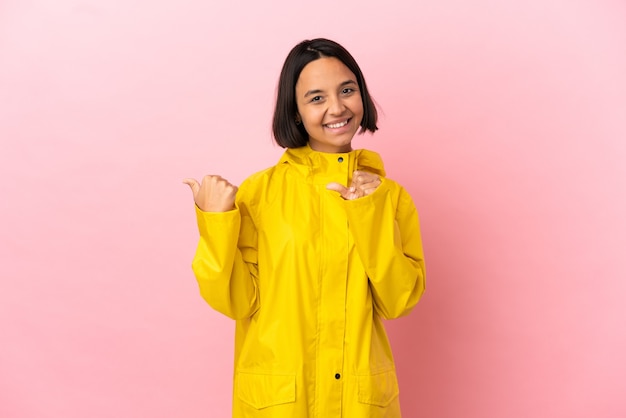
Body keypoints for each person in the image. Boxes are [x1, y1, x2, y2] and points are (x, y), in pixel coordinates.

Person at [184, 38, 425, 418]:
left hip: (358, 403)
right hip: (280, 402)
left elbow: (398, 301)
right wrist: (216, 222)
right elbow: (235, 300)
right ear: (294, 112)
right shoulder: (259, 193)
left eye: (347, 90)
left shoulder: (390, 197)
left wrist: (369, 213)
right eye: (316, 98)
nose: (337, 107)